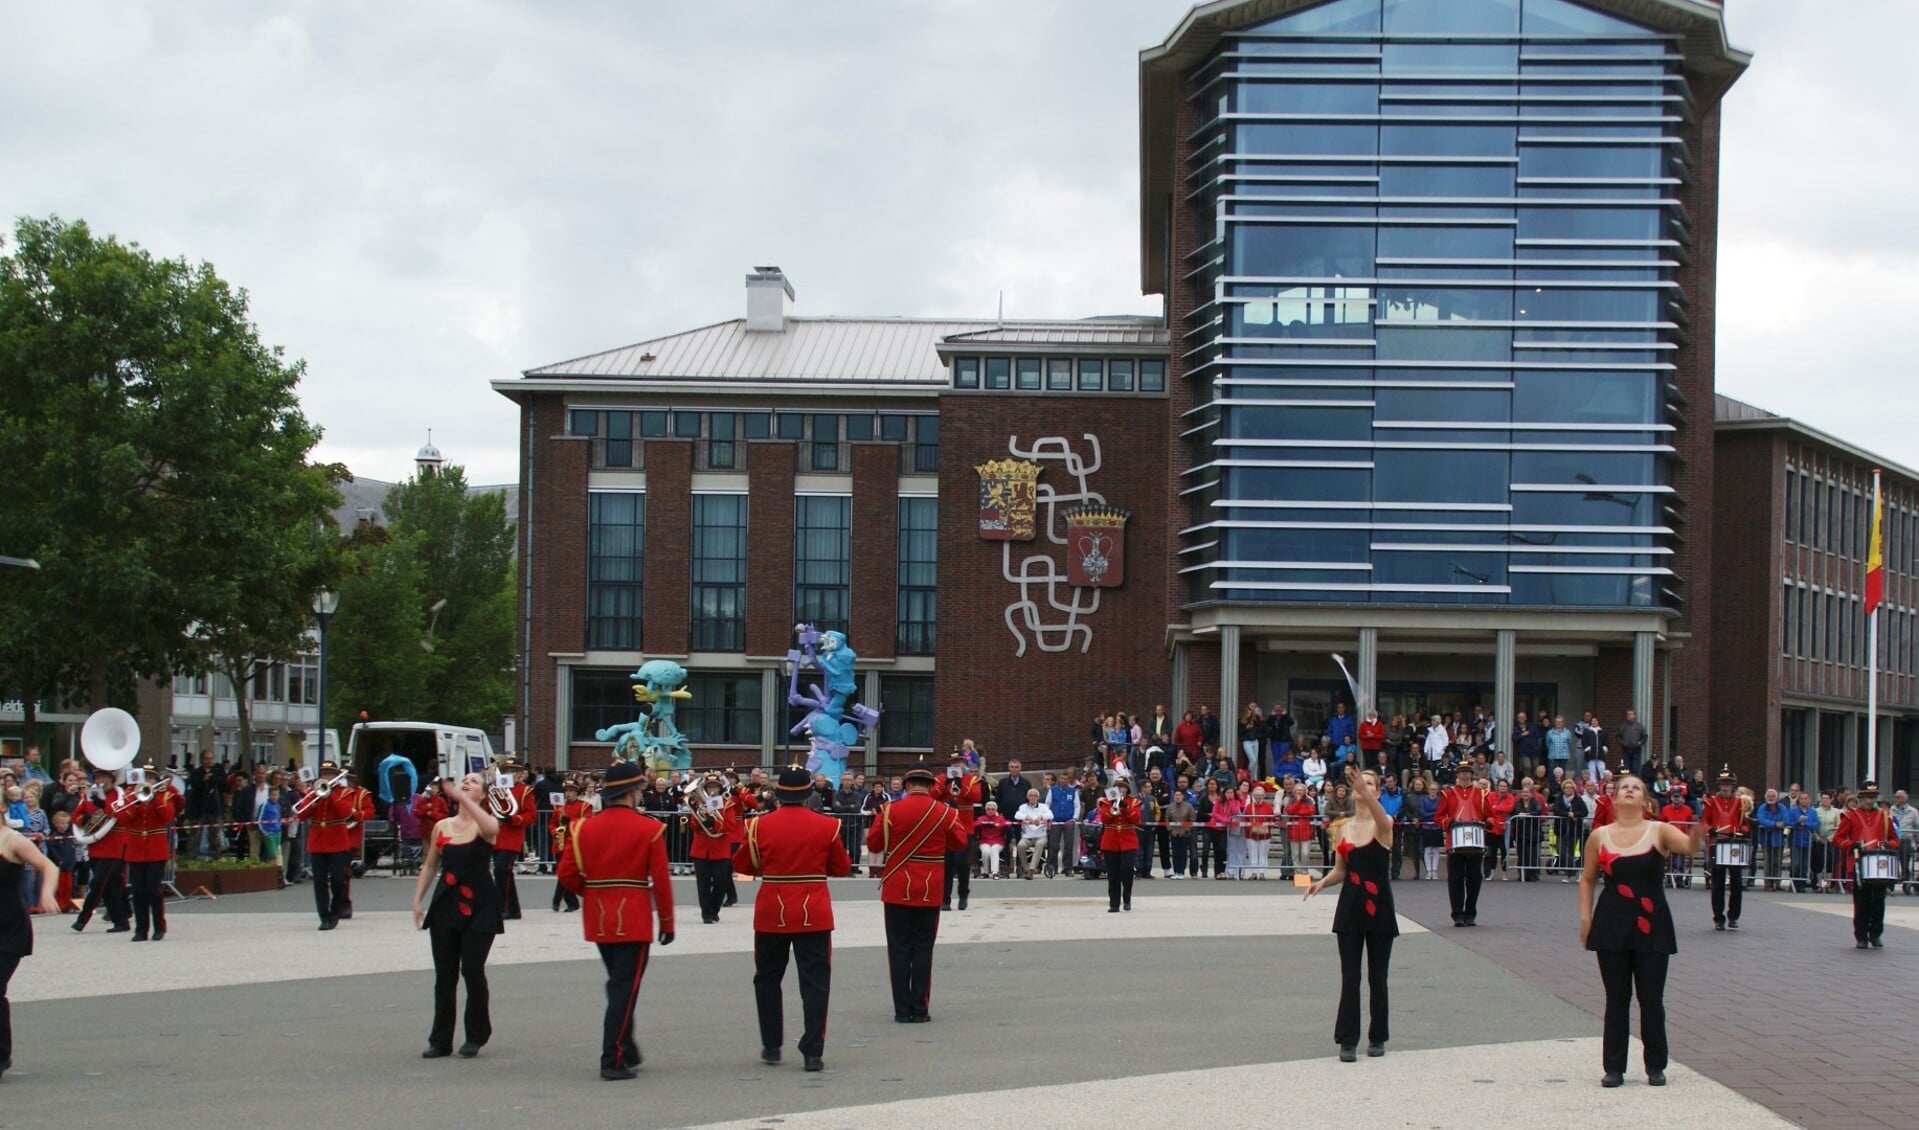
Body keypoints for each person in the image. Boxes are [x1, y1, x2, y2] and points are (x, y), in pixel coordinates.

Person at [1578, 773, 1705, 1089]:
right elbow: (1588, 879)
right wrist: (1585, 918)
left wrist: (1701, 829)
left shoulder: (1658, 830)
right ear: (1614, 798)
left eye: (1636, 787)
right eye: (1624, 787)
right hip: (1611, 923)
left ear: (1647, 800)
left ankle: (1656, 1065)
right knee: (1616, 998)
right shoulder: (1600, 836)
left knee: (1651, 998)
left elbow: (1688, 847)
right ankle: (1614, 1067)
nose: (1630, 790)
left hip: (1652, 923)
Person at [554, 760, 675, 1079]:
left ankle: (628, 1047)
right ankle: (614, 1057)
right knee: (624, 987)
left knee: (619, 985)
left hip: (598, 916)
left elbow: (566, 873)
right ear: (632, 792)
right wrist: (667, 922)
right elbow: (660, 880)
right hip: (633, 917)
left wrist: (591, 892)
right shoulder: (649, 829)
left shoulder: (582, 827)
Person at [734, 766, 852, 1072]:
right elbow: (841, 867)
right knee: (815, 983)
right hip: (813, 909)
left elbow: (744, 864)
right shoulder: (828, 826)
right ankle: (813, 1051)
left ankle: (772, 1044)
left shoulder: (759, 826)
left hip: (773, 908)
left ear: (779, 792)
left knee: (767, 979)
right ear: (808, 792)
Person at [1305, 766, 1396, 1062]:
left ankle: (1378, 1037)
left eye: (1369, 783)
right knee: (1350, 976)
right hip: (1350, 907)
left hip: (1379, 907)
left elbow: (1382, 819)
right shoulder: (1343, 827)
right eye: (1360, 782)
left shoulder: (1385, 823)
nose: (1362, 786)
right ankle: (1347, 1040)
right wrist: (1321, 883)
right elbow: (1341, 870)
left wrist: (1368, 793)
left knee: (1377, 977)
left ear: (1377, 792)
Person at [410, 773, 503, 1060]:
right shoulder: (442, 826)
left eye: (474, 782)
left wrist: (464, 799)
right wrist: (417, 900)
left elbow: (492, 828)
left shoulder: (485, 823)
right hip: (446, 904)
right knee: (445, 975)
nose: (466, 783)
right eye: (464, 781)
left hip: (479, 905)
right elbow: (429, 866)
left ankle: (476, 1034)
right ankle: (440, 1039)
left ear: (483, 794)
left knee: (472, 970)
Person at [867, 762, 966, 1023]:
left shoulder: (889, 810)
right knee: (923, 948)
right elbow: (959, 842)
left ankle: (902, 1009)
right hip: (930, 887)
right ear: (932, 786)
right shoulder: (944, 812)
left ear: (908, 785)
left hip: (898, 885)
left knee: (898, 949)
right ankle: (920, 1008)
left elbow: (874, 843)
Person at [0, 818, 60, 1079]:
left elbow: (49, 866)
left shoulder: (12, 840)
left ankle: (1, 1057)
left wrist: (46, 893)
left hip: (8, 928)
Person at [110, 763, 179, 942]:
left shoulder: (164, 795)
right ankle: (141, 929)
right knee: (138, 890)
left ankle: (159, 926)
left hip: (156, 848)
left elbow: (167, 816)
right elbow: (122, 819)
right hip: (136, 848)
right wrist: (136, 802)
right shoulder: (131, 795)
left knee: (153, 890)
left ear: (156, 780)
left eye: (150, 778)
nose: (147, 781)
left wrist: (154, 797)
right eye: (145, 778)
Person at [1833, 781, 1899, 949]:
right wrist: (1852, 845)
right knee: (1861, 901)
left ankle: (1876, 934)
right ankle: (1861, 935)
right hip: (1859, 863)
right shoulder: (1851, 816)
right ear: (1860, 797)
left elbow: (1895, 839)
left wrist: (1888, 845)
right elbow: (1838, 839)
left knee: (1879, 901)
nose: (1870, 801)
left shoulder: (1884, 816)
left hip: (1880, 863)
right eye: (1867, 797)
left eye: (1873, 797)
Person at [296, 763, 361, 931]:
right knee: (319, 881)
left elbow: (345, 813)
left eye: (330, 775)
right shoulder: (313, 792)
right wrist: (313, 801)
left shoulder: (344, 792)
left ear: (336, 776)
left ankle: (335, 910)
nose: (326, 778)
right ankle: (324, 916)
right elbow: (301, 815)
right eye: (324, 774)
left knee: (338, 880)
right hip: (317, 842)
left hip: (337, 842)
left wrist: (329, 795)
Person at [71, 769, 130, 933]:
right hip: (95, 845)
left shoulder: (120, 796)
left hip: (114, 845)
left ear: (112, 779)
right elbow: (75, 815)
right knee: (109, 886)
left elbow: (121, 815)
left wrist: (102, 806)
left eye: (103, 777)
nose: (100, 780)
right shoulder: (88, 795)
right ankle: (121, 921)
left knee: (97, 883)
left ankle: (82, 919)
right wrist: (84, 820)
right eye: (97, 777)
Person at [1434, 762, 1489, 926]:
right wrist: (1449, 822)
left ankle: (1470, 912)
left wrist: (1490, 823)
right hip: (1455, 843)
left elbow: (1489, 815)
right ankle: (1457, 914)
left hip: (1475, 842)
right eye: (1462, 772)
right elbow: (1438, 817)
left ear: (1471, 774)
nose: (1465, 775)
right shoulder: (1447, 794)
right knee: (1455, 879)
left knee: (1475, 879)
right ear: (1457, 775)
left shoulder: (1481, 794)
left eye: (1467, 772)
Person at [687, 773, 740, 924]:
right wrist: (702, 818)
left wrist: (714, 824)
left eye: (715, 787)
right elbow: (693, 825)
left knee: (720, 882)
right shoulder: (698, 804)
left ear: (719, 788)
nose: (712, 790)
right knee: (703, 883)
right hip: (701, 847)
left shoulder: (727, 804)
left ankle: (714, 908)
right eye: (709, 787)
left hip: (720, 848)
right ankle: (706, 913)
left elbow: (730, 825)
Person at [488, 760, 538, 920]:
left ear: (520, 773)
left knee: (501, 869)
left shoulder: (525, 791)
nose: (510, 774)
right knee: (504, 872)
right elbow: (487, 807)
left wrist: (514, 818)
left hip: (512, 838)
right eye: (507, 770)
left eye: (513, 771)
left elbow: (531, 816)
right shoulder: (496, 788)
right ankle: (514, 909)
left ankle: (502, 907)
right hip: (496, 835)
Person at [932, 754, 983, 910]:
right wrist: (946, 783)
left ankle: (963, 894)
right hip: (945, 827)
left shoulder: (971, 779)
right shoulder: (941, 778)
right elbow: (932, 796)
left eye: (959, 762)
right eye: (954, 763)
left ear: (964, 764)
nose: (957, 765)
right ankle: (945, 899)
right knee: (946, 866)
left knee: (962, 864)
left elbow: (976, 797)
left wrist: (961, 784)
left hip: (964, 827)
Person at [1701, 765, 1749, 931]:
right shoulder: (1711, 801)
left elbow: (1745, 825)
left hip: (1734, 844)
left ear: (1733, 785)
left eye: (1728, 784)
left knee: (1736, 882)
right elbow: (1704, 822)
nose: (1725, 787)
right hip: (1717, 844)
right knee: (1718, 884)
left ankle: (1734, 917)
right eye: (1723, 784)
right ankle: (1718, 918)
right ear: (1719, 785)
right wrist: (1710, 830)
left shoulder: (1740, 803)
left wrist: (1742, 832)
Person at [549, 779, 593, 913]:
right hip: (560, 843)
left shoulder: (585, 806)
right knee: (562, 873)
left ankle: (557, 900)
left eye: (571, 791)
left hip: (574, 843)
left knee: (565, 873)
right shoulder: (559, 807)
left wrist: (571, 822)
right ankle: (572, 902)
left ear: (577, 792)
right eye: (567, 791)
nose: (568, 794)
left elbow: (586, 822)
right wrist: (555, 831)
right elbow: (552, 823)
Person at [1097, 776, 1141, 911]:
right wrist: (1113, 807)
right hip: (1111, 840)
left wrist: (1126, 807)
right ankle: (1114, 903)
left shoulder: (1134, 802)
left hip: (1128, 840)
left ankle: (1126, 898)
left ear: (1127, 789)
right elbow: (1104, 819)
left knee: (1127, 870)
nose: (1120, 789)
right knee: (1113, 874)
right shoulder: (1106, 802)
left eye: (1123, 787)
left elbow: (1136, 819)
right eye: (1118, 787)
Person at [1510, 778, 1547, 882]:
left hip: (1533, 832)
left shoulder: (1536, 801)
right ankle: (1522, 874)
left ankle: (1533, 875)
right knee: (1522, 854)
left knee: (1533, 854)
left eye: (1527, 792)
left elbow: (1538, 811)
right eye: (1523, 792)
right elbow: (1515, 812)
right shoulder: (1518, 802)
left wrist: (1527, 815)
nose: (1525, 794)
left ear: (1531, 793)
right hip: (1521, 832)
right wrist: (1520, 815)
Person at [1013, 789, 1050, 879]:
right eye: (1030, 795)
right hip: (1027, 836)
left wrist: (1041, 817)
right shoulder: (1023, 807)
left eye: (1034, 796)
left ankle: (1032, 870)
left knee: (1040, 844)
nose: (1032, 797)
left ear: (1038, 797)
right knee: (1020, 846)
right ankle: (1026, 869)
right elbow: (1017, 815)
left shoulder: (1044, 806)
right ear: (1027, 797)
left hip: (1040, 836)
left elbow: (1050, 815)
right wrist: (1027, 817)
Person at [975, 801, 1010, 879]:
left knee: (994, 850)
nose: (990, 811)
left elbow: (1008, 824)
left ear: (995, 810)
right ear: (985, 810)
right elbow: (975, 824)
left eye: (992, 809)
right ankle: (986, 872)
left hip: (998, 841)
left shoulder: (1000, 818)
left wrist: (999, 824)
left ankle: (995, 872)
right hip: (985, 841)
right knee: (986, 851)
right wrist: (983, 823)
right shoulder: (981, 818)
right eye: (988, 809)